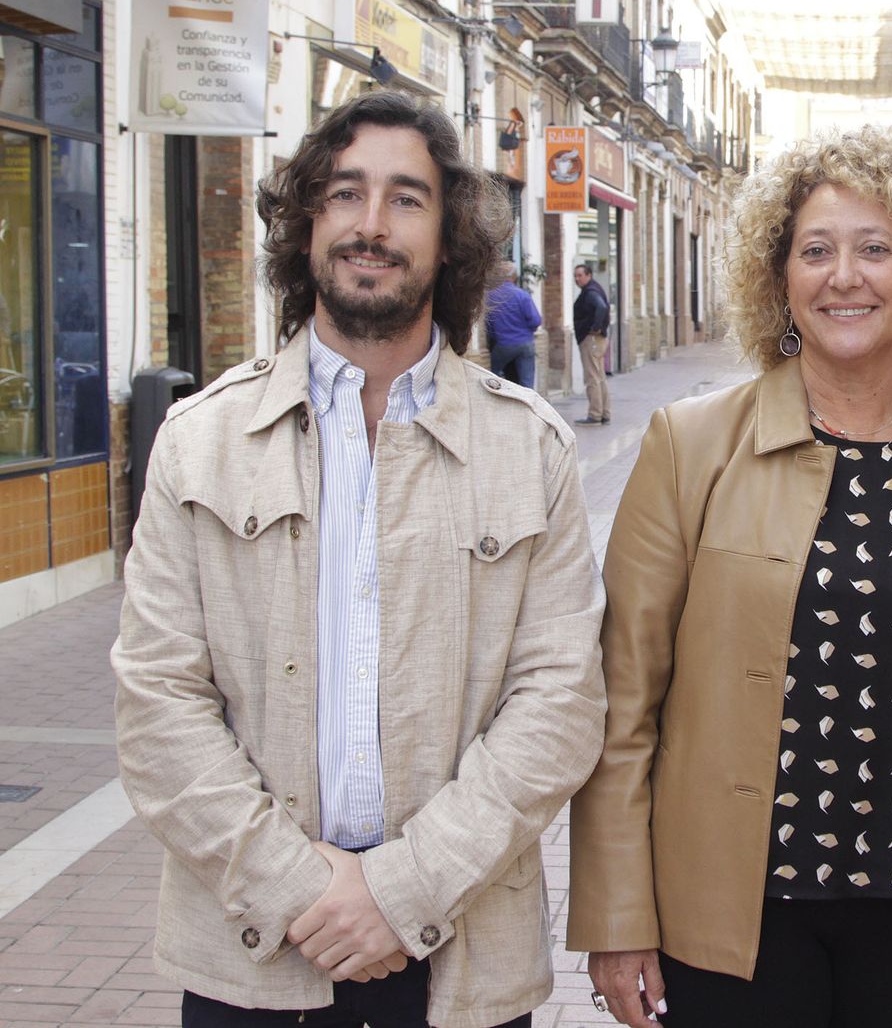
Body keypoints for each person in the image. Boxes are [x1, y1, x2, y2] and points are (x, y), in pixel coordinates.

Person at [111, 90, 607, 1028]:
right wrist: (299, 887)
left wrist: (401, 892)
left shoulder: (530, 450)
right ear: (306, 224)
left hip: (460, 962)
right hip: (254, 951)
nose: (371, 225)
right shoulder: (198, 443)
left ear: (449, 237)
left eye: (407, 199)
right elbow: (157, 703)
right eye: (345, 194)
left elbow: (560, 704)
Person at [568, 124, 892, 1028]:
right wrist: (616, 914)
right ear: (778, 279)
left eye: (877, 248)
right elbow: (623, 703)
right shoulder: (691, 445)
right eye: (816, 250)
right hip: (729, 914)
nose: (845, 276)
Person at [485, 260, 542, 389]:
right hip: (525, 343)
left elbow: (488, 325)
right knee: (527, 384)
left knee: (492, 376)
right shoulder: (522, 295)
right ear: (515, 276)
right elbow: (536, 321)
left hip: (503, 345)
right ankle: (527, 407)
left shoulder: (491, 296)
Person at [573, 263, 610, 424]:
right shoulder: (593, 289)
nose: (577, 279)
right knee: (600, 376)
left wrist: (596, 327)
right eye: (575, 276)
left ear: (588, 275)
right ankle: (604, 413)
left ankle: (595, 414)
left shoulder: (590, 292)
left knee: (592, 377)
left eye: (580, 275)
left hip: (591, 339)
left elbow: (601, 307)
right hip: (596, 340)